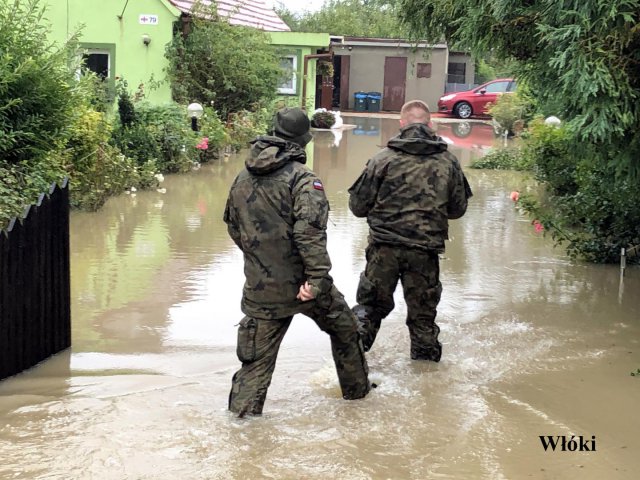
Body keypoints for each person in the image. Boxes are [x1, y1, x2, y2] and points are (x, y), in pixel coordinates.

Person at [223, 107, 371, 417]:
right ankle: (358, 404)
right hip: (306, 285)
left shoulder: (241, 178)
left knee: (255, 364)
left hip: (262, 289)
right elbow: (309, 234)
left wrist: (263, 262)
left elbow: (234, 228)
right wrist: (316, 282)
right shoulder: (304, 180)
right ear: (305, 140)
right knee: (346, 331)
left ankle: (241, 429)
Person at [348, 100, 473, 361]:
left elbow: (358, 207)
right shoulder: (448, 162)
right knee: (423, 318)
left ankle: (350, 365)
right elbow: (458, 209)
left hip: (384, 250)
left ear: (402, 124)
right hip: (425, 253)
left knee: (370, 308)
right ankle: (427, 384)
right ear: (430, 124)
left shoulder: (382, 160)